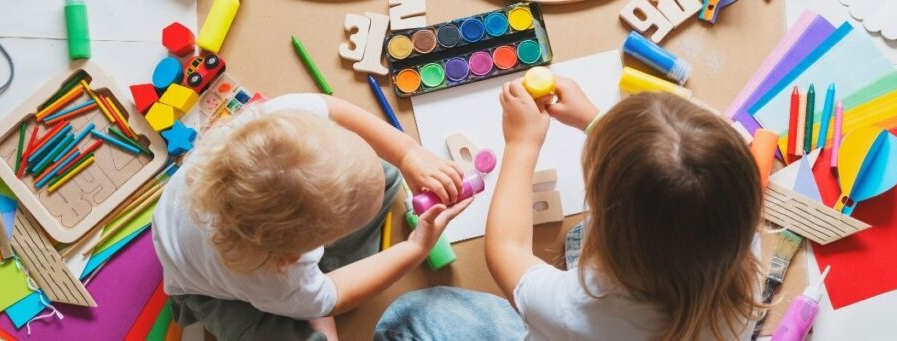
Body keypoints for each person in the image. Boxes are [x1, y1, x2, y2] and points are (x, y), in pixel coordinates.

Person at [376, 79, 764, 340]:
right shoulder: (736, 244)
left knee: (414, 313)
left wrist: (522, 144)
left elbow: (506, 251)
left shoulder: (573, 309)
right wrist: (595, 121)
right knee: (576, 238)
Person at [153, 93, 471, 340]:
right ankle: (307, 294)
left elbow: (330, 107)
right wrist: (415, 247)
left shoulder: (273, 127)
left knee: (384, 177)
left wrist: (407, 153)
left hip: (212, 222)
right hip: (206, 289)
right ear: (291, 257)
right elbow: (338, 296)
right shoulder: (272, 276)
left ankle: (309, 290)